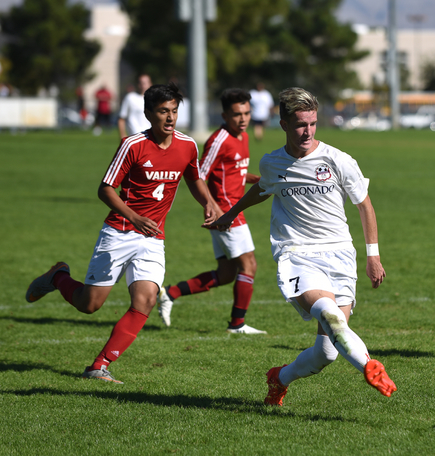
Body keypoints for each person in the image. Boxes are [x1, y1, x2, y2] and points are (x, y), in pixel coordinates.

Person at [209, 87, 397, 405]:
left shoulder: (338, 160)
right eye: (299, 124)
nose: (307, 131)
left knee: (326, 353)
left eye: (312, 123)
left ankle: (279, 379)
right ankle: (370, 366)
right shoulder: (272, 163)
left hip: (340, 254)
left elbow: (364, 205)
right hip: (296, 253)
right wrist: (230, 213)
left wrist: (373, 257)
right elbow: (264, 189)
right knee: (328, 312)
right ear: (283, 124)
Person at [25, 82, 217, 384]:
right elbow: (105, 189)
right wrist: (134, 216)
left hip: (153, 238)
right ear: (148, 113)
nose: (170, 118)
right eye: (163, 111)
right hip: (119, 232)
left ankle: (98, 366)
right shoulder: (132, 145)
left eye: (174, 111)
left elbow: (194, 177)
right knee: (90, 305)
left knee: (146, 300)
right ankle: (57, 276)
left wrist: (208, 202)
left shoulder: (188, 145)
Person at [157, 89, 265, 334]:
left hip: (234, 208)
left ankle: (170, 293)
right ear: (225, 115)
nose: (243, 118)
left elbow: (230, 172)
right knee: (249, 265)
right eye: (237, 114)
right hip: (226, 212)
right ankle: (237, 324)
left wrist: (254, 178)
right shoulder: (218, 140)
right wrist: (212, 207)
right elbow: (199, 175)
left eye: (247, 113)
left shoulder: (243, 137)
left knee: (226, 274)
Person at [118, 74, 153, 138]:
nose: (143, 85)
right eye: (141, 83)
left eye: (145, 83)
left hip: (150, 137)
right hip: (134, 137)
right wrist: (122, 135)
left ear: (150, 84)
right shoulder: (130, 97)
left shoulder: (154, 100)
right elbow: (122, 118)